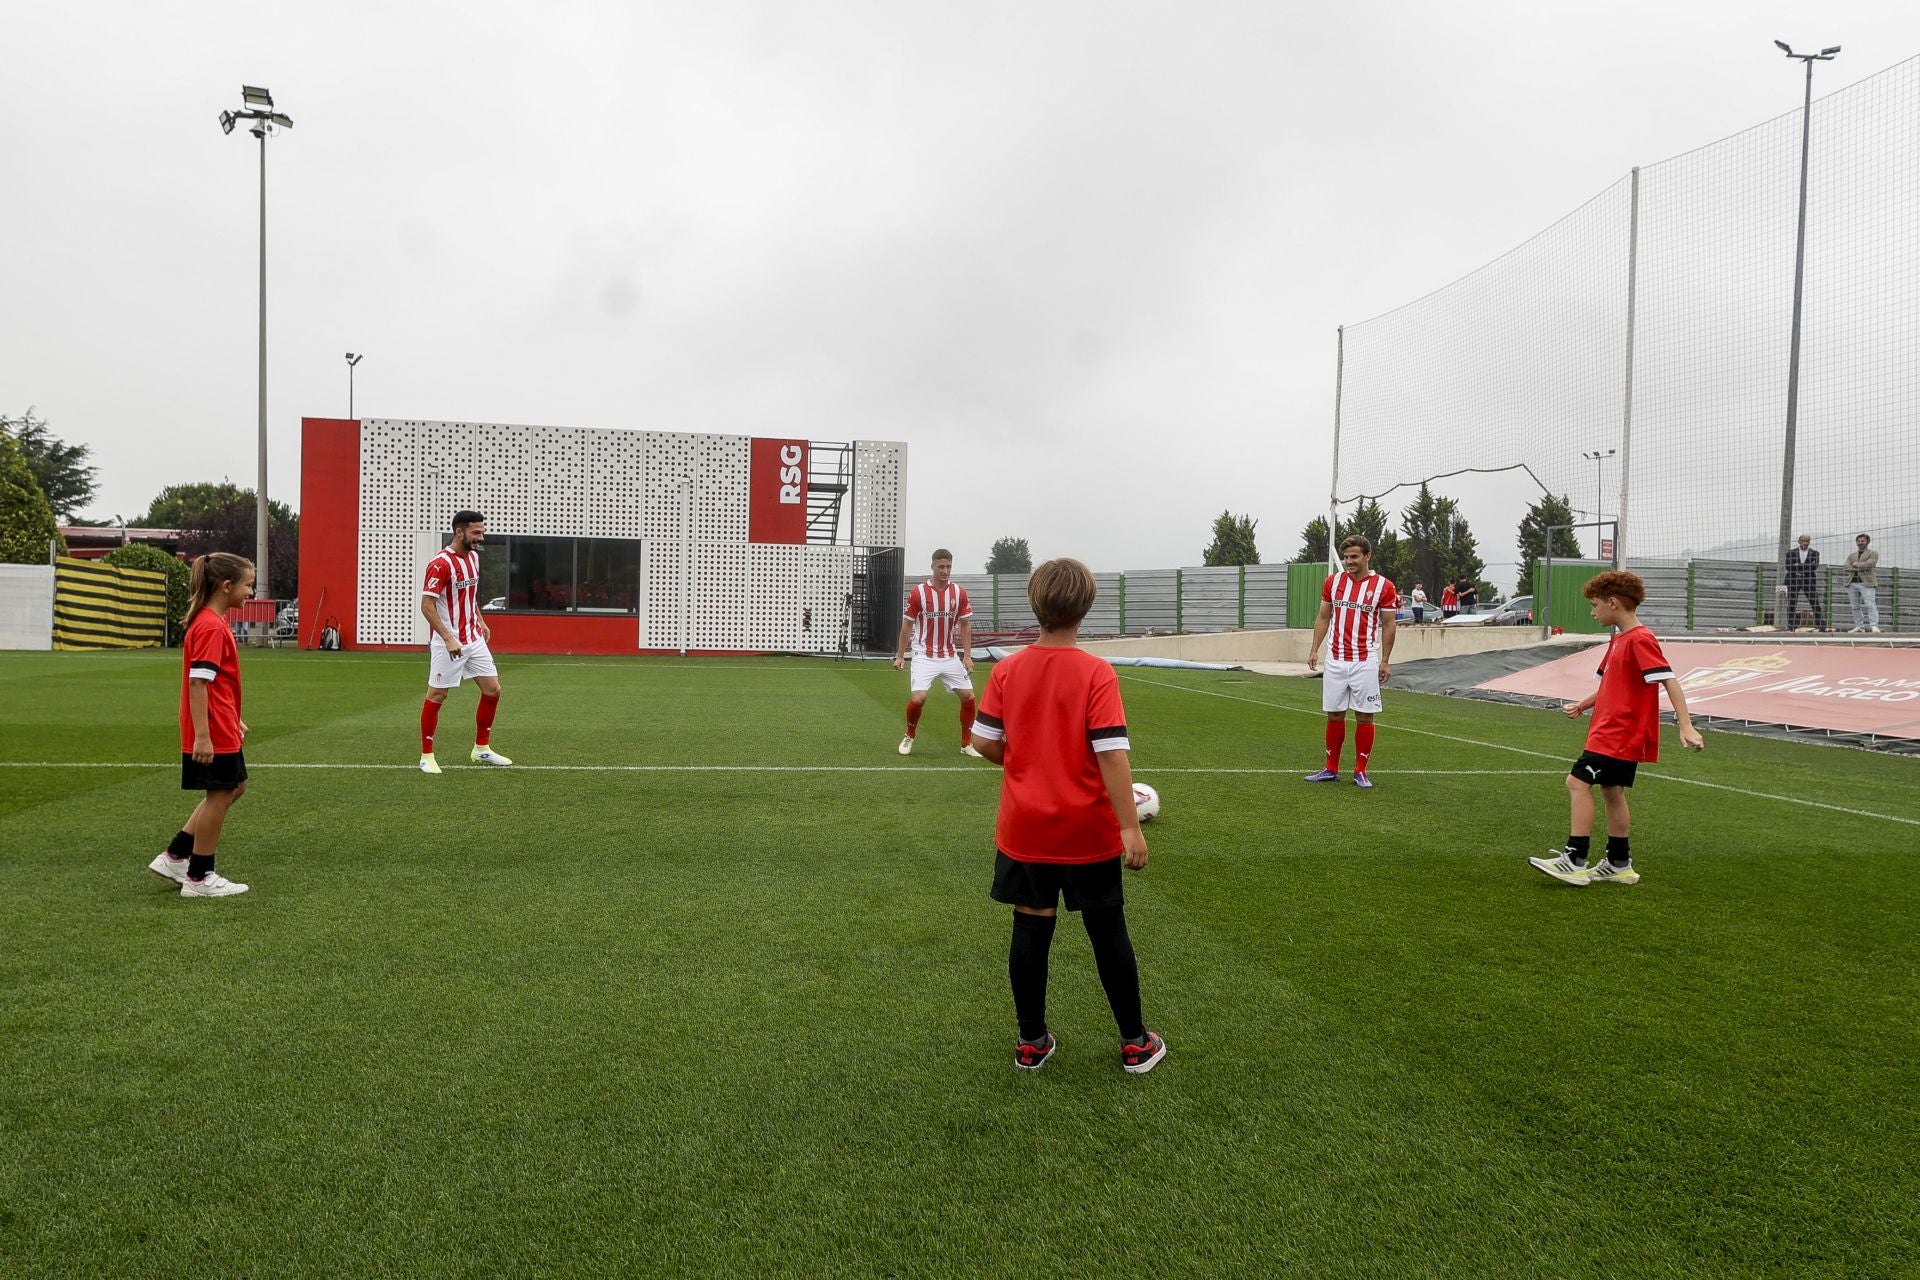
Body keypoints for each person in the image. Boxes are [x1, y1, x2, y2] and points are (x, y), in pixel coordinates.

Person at [970, 557, 1165, 1074]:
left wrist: (1025, 762)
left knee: (1031, 927)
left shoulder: (1008, 670)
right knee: (1107, 932)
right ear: (1086, 608)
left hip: (1025, 826)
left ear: (1035, 606)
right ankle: (1135, 1043)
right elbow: (1111, 754)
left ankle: (1031, 1041)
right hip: (1086, 832)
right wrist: (1129, 827)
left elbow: (982, 741)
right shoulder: (1096, 671)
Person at [1530, 570, 1705, 887]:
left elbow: (1669, 679)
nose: (1592, 611)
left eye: (1595, 604)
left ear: (1613, 603)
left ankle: (1574, 860)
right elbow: (1612, 685)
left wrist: (1686, 725)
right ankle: (1618, 863)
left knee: (1576, 782)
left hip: (1617, 734)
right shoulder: (1619, 640)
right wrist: (1584, 704)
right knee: (1612, 790)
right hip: (1612, 731)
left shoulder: (1640, 639)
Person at [149, 553, 255, 898]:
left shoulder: (211, 622)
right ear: (226, 586)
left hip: (220, 722)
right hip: (212, 728)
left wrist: (232, 718)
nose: (250, 593)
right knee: (222, 793)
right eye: (247, 586)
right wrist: (205, 737)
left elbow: (216, 682)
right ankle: (199, 876)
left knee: (234, 787)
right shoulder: (210, 625)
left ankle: (177, 855)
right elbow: (198, 683)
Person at [420, 510, 512, 774]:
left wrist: (480, 620)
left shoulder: (473, 558)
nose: (481, 537)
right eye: (476, 533)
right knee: (437, 695)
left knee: (493, 690)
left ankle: (481, 749)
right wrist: (448, 638)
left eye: (482, 532)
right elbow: (427, 606)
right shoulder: (440, 564)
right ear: (459, 532)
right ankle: (426, 756)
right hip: (448, 643)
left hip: (474, 639)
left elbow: (469, 596)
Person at [1305, 535, 1398, 788]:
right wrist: (1314, 649)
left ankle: (1360, 771)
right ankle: (1330, 769)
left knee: (1365, 716)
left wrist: (1386, 660)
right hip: (1335, 660)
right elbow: (1323, 617)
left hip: (1365, 661)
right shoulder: (1333, 582)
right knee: (1334, 714)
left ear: (1367, 556)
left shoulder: (1384, 586)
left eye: (1354, 557)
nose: (1349, 562)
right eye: (1346, 557)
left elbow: (1389, 625)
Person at [893, 548, 981, 757]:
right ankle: (910, 734)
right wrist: (899, 655)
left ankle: (966, 744)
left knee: (968, 697)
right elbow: (907, 626)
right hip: (924, 654)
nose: (945, 570)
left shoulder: (959, 593)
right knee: (918, 699)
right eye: (941, 566)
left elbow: (966, 624)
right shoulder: (918, 593)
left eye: (948, 566)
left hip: (949, 655)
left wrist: (967, 655)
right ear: (932, 566)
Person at [1783, 533, 1826, 631]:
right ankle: (1791, 625)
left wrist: (1798, 566)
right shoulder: (1791, 553)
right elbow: (1789, 567)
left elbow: (1814, 567)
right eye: (1803, 541)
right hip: (1793, 580)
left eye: (1807, 541)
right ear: (1799, 542)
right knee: (1792, 603)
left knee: (1814, 602)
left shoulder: (1815, 553)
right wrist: (1805, 567)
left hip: (1808, 580)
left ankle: (1822, 625)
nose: (1805, 543)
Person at [1844, 533, 1881, 633]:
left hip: (1867, 584)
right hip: (1852, 583)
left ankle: (1874, 626)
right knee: (1855, 606)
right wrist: (1860, 566)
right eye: (1859, 541)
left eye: (1862, 541)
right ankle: (1859, 626)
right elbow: (1846, 567)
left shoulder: (1873, 553)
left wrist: (1856, 565)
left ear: (1867, 542)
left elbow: (1870, 564)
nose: (1860, 543)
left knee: (1870, 605)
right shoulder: (1851, 555)